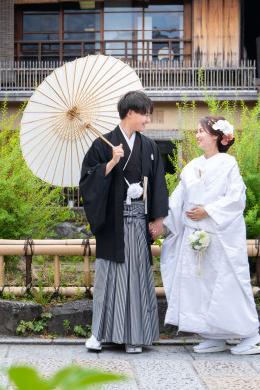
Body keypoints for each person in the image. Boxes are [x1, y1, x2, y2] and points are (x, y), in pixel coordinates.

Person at [160, 116, 260, 355]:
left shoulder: (228, 163)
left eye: (202, 131)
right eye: (196, 131)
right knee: (201, 287)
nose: (197, 135)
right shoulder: (191, 166)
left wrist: (208, 210)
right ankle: (212, 335)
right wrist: (159, 218)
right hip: (195, 237)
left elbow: (237, 199)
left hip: (220, 237)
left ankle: (250, 335)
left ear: (217, 136)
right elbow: (178, 200)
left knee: (228, 285)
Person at [79, 90, 168, 354]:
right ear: (131, 113)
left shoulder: (149, 147)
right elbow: (87, 180)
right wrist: (111, 161)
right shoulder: (102, 144)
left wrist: (158, 219)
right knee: (109, 277)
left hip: (139, 221)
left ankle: (134, 336)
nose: (148, 120)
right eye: (145, 114)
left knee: (138, 277)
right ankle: (99, 333)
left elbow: (159, 184)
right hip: (113, 223)